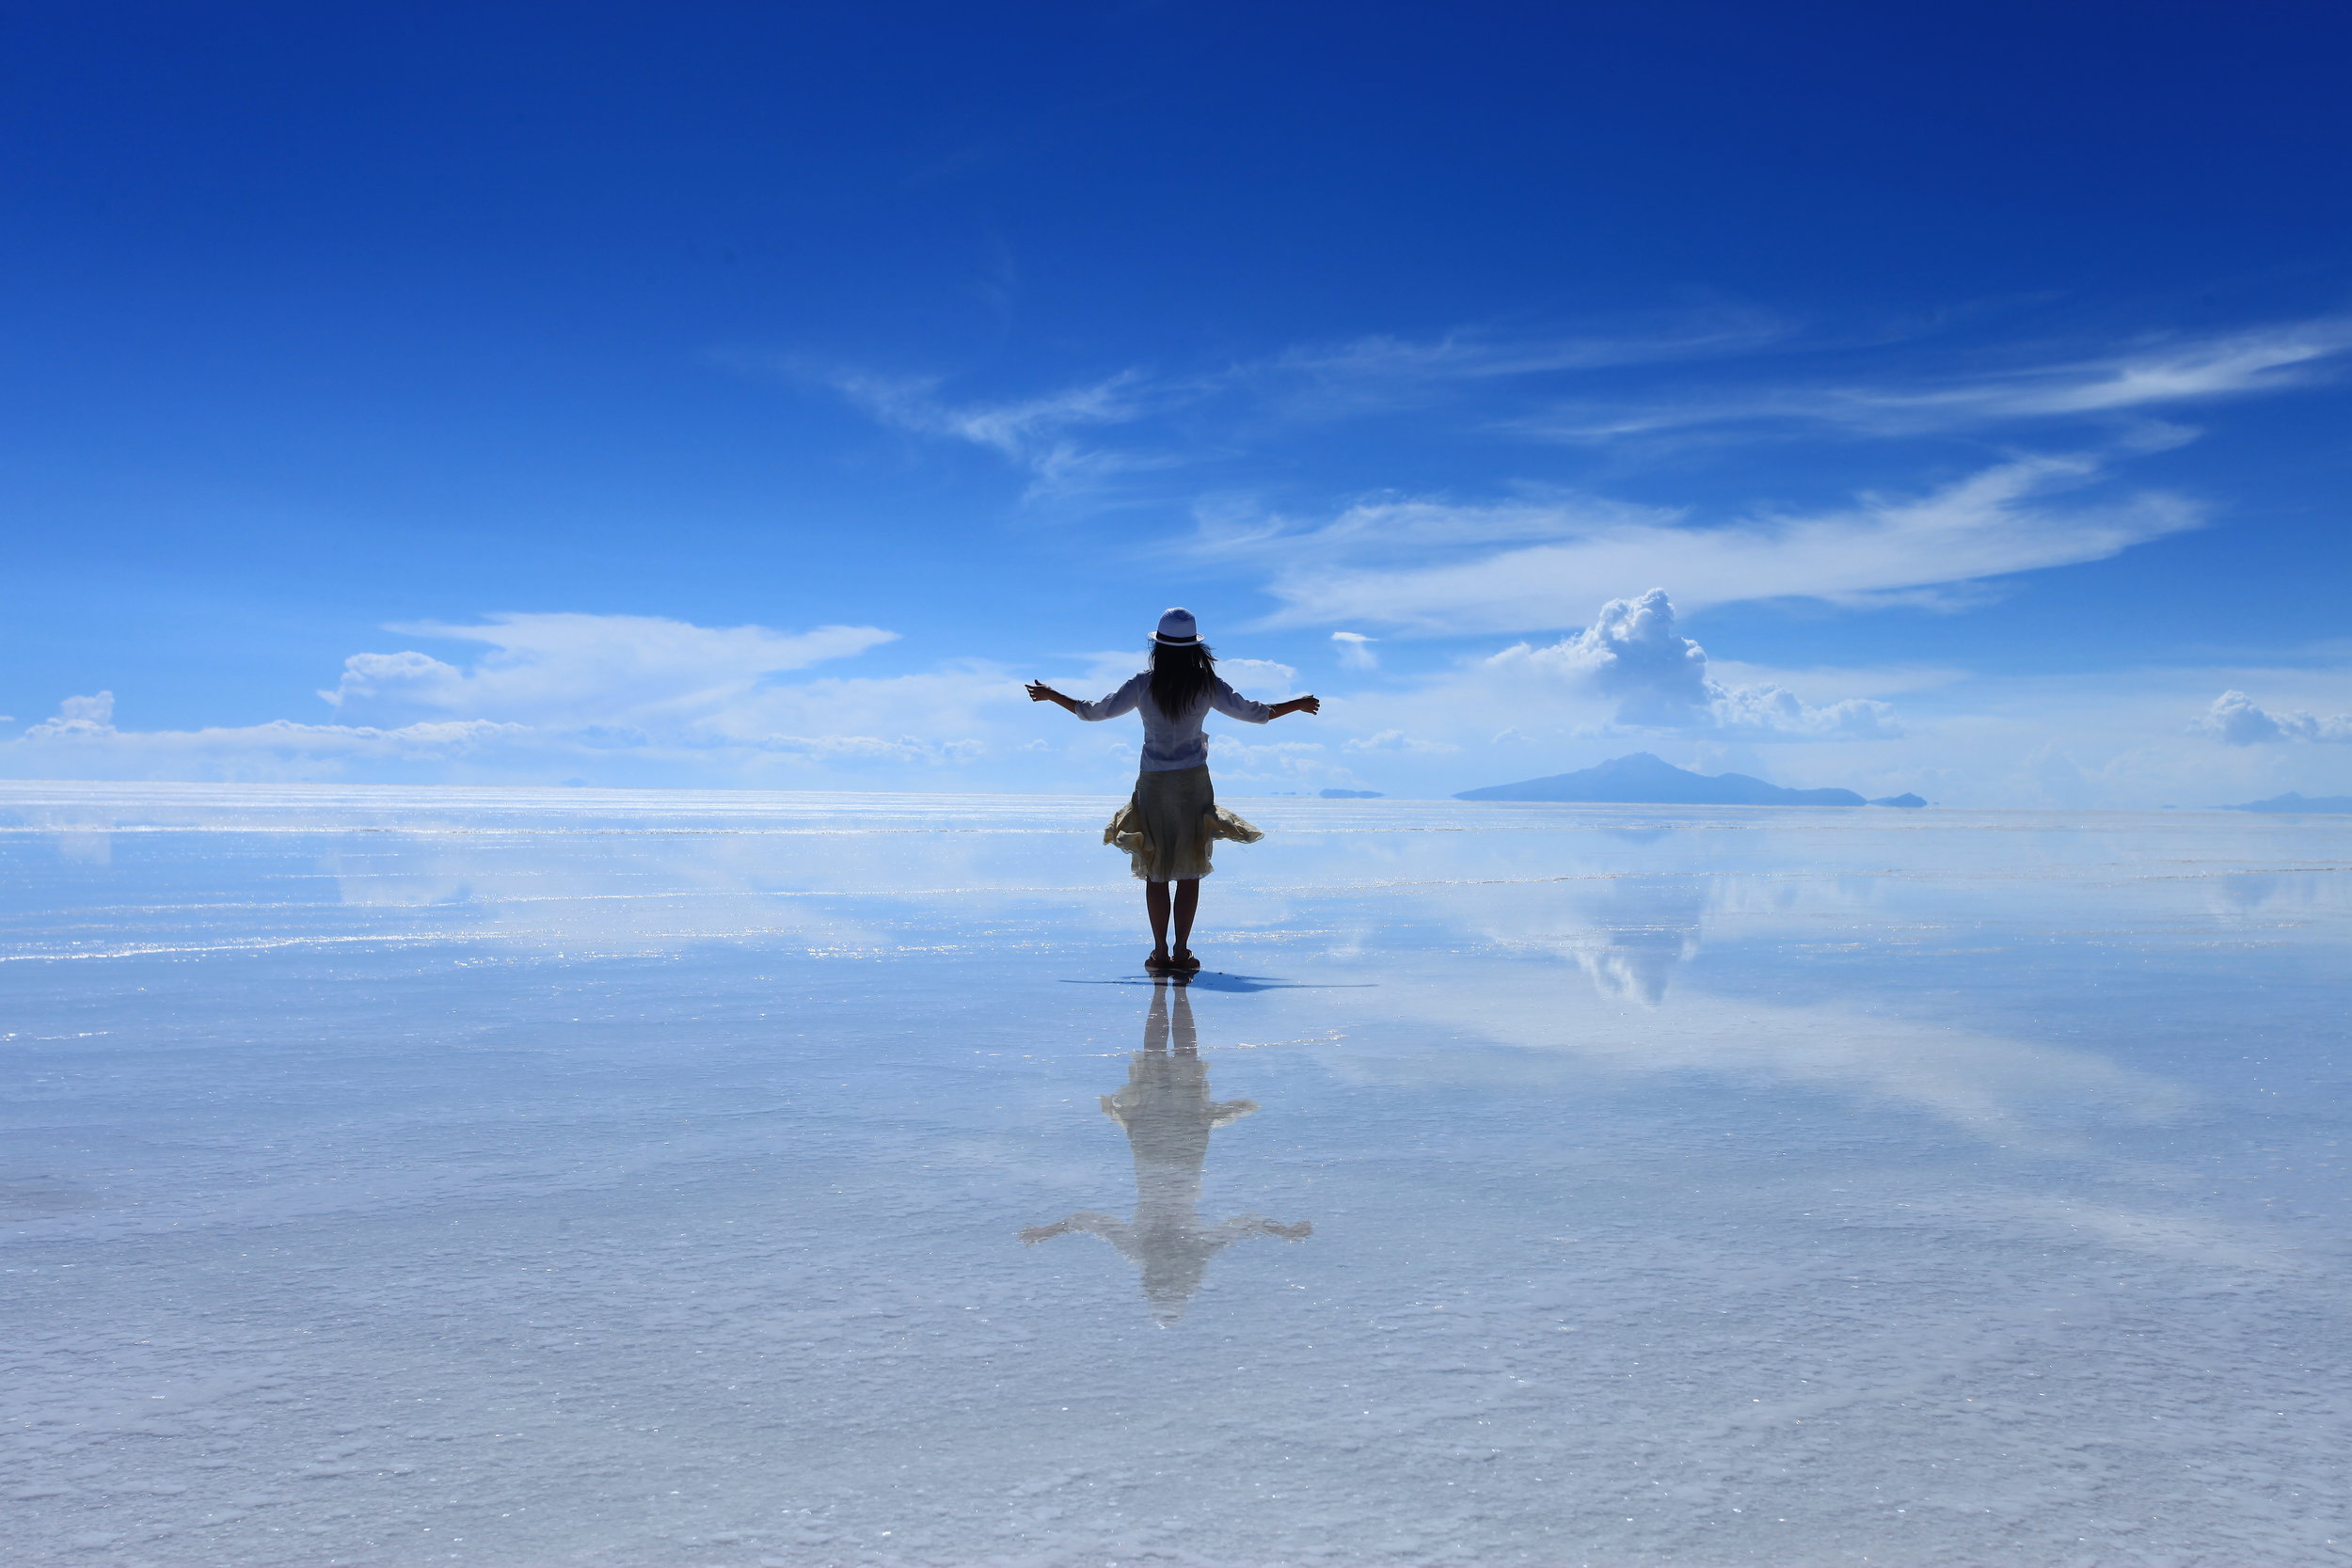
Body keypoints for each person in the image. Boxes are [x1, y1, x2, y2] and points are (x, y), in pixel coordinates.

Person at [1026, 608, 1319, 973]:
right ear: (1196, 648)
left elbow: (1092, 713)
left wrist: (1053, 695)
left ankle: (1160, 952)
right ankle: (1181, 952)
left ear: (1158, 647)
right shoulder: (1206, 684)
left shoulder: (1142, 683)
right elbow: (1255, 713)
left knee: (1156, 869)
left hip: (1153, 783)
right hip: (1193, 783)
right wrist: (1299, 704)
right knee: (1189, 870)